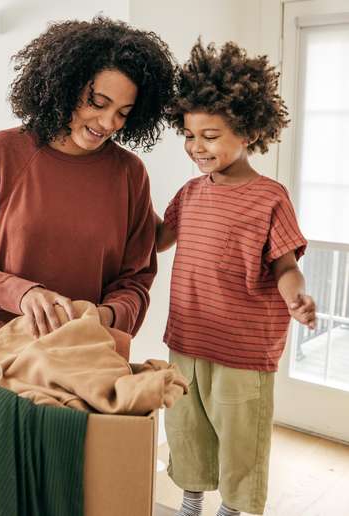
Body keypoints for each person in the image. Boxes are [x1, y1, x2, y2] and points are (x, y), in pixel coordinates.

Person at [0, 17, 175, 340]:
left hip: (84, 356)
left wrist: (106, 316)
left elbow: (135, 281)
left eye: (123, 112)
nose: (107, 122)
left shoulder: (129, 173)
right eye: (98, 103)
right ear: (67, 86)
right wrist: (23, 295)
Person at [156, 40, 317, 516]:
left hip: (244, 346)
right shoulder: (189, 193)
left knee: (240, 435)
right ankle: (190, 500)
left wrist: (298, 298)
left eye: (209, 135)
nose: (196, 147)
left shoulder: (270, 197)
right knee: (185, 426)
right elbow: (158, 239)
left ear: (246, 132)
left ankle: (231, 507)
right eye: (188, 134)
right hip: (188, 336)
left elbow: (285, 265)